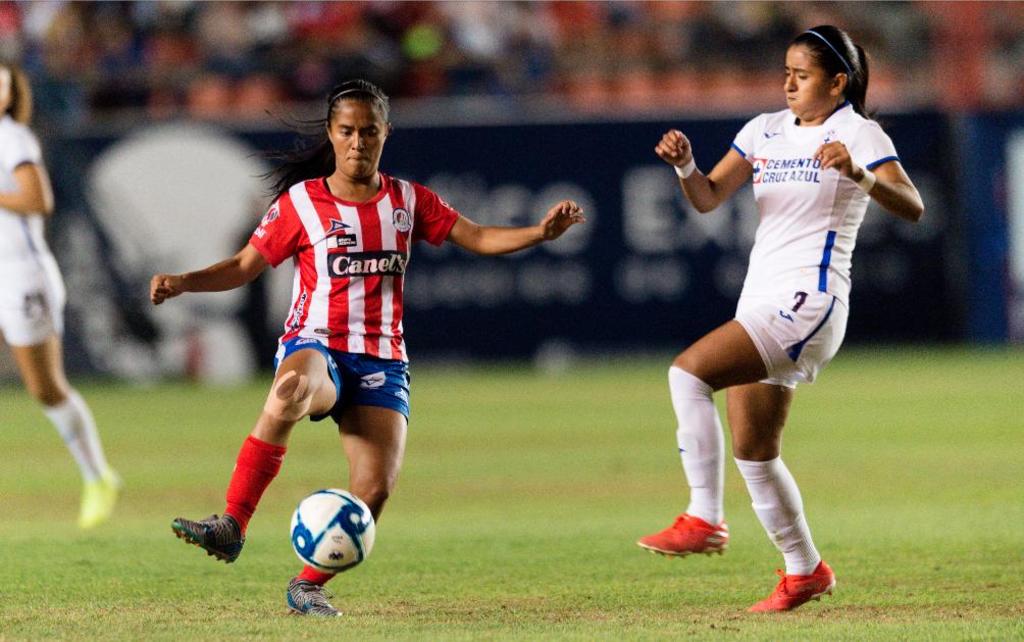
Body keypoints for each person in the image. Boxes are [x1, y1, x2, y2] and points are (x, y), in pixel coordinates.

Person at [150, 79, 584, 617]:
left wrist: (540, 232)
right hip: (317, 345)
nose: (358, 142)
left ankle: (307, 585)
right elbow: (244, 266)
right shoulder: (301, 203)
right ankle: (232, 524)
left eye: (369, 131)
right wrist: (184, 282)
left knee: (374, 489)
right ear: (332, 134)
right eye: (347, 131)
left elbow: (477, 237)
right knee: (290, 389)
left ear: (385, 133)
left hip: (381, 359)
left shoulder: (408, 201)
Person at [636, 26, 924, 612]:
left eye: (803, 74)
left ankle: (704, 517)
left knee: (687, 373)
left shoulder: (858, 133)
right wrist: (686, 166)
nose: (789, 83)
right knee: (755, 451)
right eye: (786, 72)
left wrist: (860, 174)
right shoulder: (763, 130)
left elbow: (912, 205)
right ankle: (805, 571)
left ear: (837, 82)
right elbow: (708, 197)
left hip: (810, 301)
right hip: (761, 299)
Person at [0, 61, 122, 529]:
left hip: (22, 275)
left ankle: (98, 476)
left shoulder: (13, 138)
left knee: (46, 388)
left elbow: (39, 200)